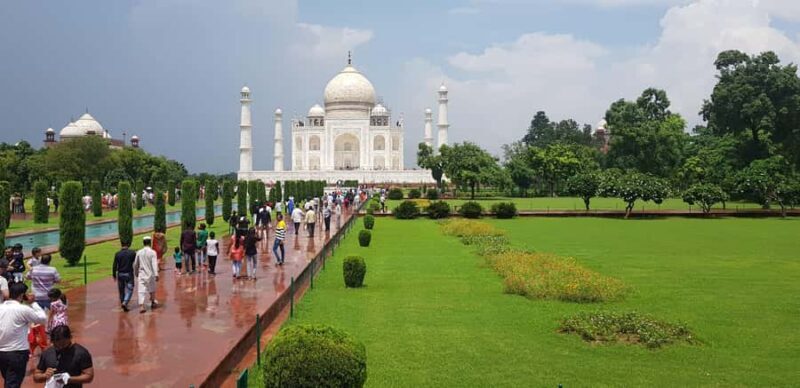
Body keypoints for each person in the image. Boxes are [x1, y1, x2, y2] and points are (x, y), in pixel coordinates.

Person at [0, 282, 47, 388]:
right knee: (13, 383)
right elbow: (43, 319)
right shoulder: (23, 309)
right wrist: (33, 303)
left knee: (9, 380)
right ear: (22, 295)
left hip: (2, 352)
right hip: (17, 352)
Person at [133, 237, 159, 314]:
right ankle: (153, 302)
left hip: (142, 274)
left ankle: (141, 306)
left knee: (141, 290)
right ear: (150, 243)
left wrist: (136, 272)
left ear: (143, 243)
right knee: (152, 289)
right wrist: (156, 274)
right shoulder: (153, 252)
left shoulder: (139, 252)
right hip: (150, 274)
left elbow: (136, 264)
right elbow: (154, 264)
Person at [112, 243, 136, 312]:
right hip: (129, 274)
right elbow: (136, 262)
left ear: (121, 245)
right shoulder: (132, 253)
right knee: (130, 289)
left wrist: (114, 275)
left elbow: (114, 265)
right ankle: (125, 303)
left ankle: (123, 302)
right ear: (128, 245)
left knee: (121, 290)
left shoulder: (117, 254)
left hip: (120, 274)